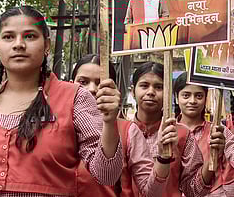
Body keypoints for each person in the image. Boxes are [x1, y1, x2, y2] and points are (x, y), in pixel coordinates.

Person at [0, 6, 123, 196]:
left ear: (47, 46)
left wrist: (109, 123)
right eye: (8, 37)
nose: (18, 44)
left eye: (30, 36)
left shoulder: (74, 98)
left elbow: (107, 175)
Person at [71, 54, 170, 197]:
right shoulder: (56, 124)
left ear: (114, 89)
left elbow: (151, 192)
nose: (91, 89)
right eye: (83, 82)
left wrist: (163, 157)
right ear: (69, 84)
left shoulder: (128, 131)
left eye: (99, 82)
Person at [173, 72, 234, 196]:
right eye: (186, 95)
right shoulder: (167, 131)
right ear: (176, 97)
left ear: (206, 98)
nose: (192, 101)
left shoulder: (218, 131)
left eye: (199, 96)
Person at [130, 62, 215, 197]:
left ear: (168, 94)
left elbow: (193, 190)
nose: (151, 92)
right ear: (132, 91)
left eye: (158, 87)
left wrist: (212, 160)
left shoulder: (181, 134)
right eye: (144, 86)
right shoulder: (121, 132)